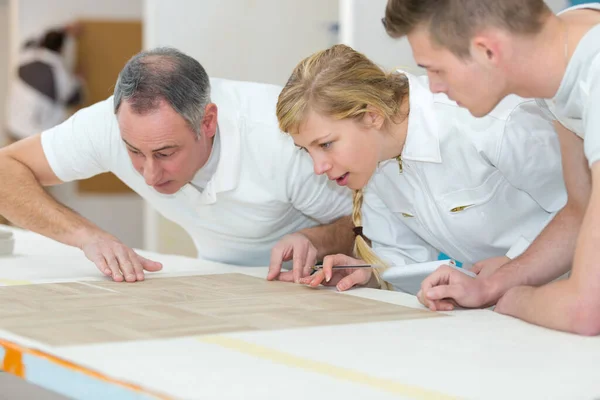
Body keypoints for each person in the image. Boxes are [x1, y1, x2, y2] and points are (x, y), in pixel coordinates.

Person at [0, 47, 354, 284]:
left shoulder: (281, 138)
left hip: (308, 285)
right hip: (217, 278)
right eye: (134, 152)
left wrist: (315, 239)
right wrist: (85, 236)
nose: (150, 175)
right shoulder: (108, 125)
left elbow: (365, 219)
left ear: (208, 122)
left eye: (166, 153)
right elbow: (6, 170)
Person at [382, 0, 600, 335]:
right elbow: (580, 210)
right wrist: (490, 287)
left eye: (436, 70)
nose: (434, 87)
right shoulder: (561, 54)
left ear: (486, 51)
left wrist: (514, 300)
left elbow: (584, 311)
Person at [274, 44, 566, 293]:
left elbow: (582, 207)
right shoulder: (372, 159)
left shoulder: (486, 121)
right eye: (306, 150)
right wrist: (370, 273)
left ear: (371, 115)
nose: (318, 167)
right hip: (500, 304)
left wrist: (515, 265)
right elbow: (402, 255)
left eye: (325, 144)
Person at [5, 25, 84, 142]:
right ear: (61, 48)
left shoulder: (26, 56)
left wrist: (63, 30)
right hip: (33, 136)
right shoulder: (58, 70)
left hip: (13, 129)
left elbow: (30, 42)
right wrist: (79, 80)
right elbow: (73, 98)